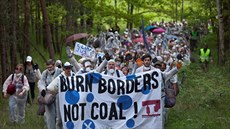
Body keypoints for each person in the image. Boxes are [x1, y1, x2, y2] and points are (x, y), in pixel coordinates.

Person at [46, 62, 75, 129]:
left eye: (69, 68)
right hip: (61, 99)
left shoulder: (74, 76)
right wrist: (56, 91)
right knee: (59, 118)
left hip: (72, 99)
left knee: (71, 116)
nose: (68, 70)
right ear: (64, 69)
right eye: (67, 68)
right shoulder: (60, 78)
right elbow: (50, 87)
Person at [38, 59, 62, 129]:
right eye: (48, 67)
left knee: (59, 115)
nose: (49, 69)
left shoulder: (60, 71)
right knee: (50, 115)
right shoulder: (45, 73)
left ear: (54, 65)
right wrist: (42, 89)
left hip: (58, 95)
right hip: (48, 96)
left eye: (50, 67)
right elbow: (41, 82)